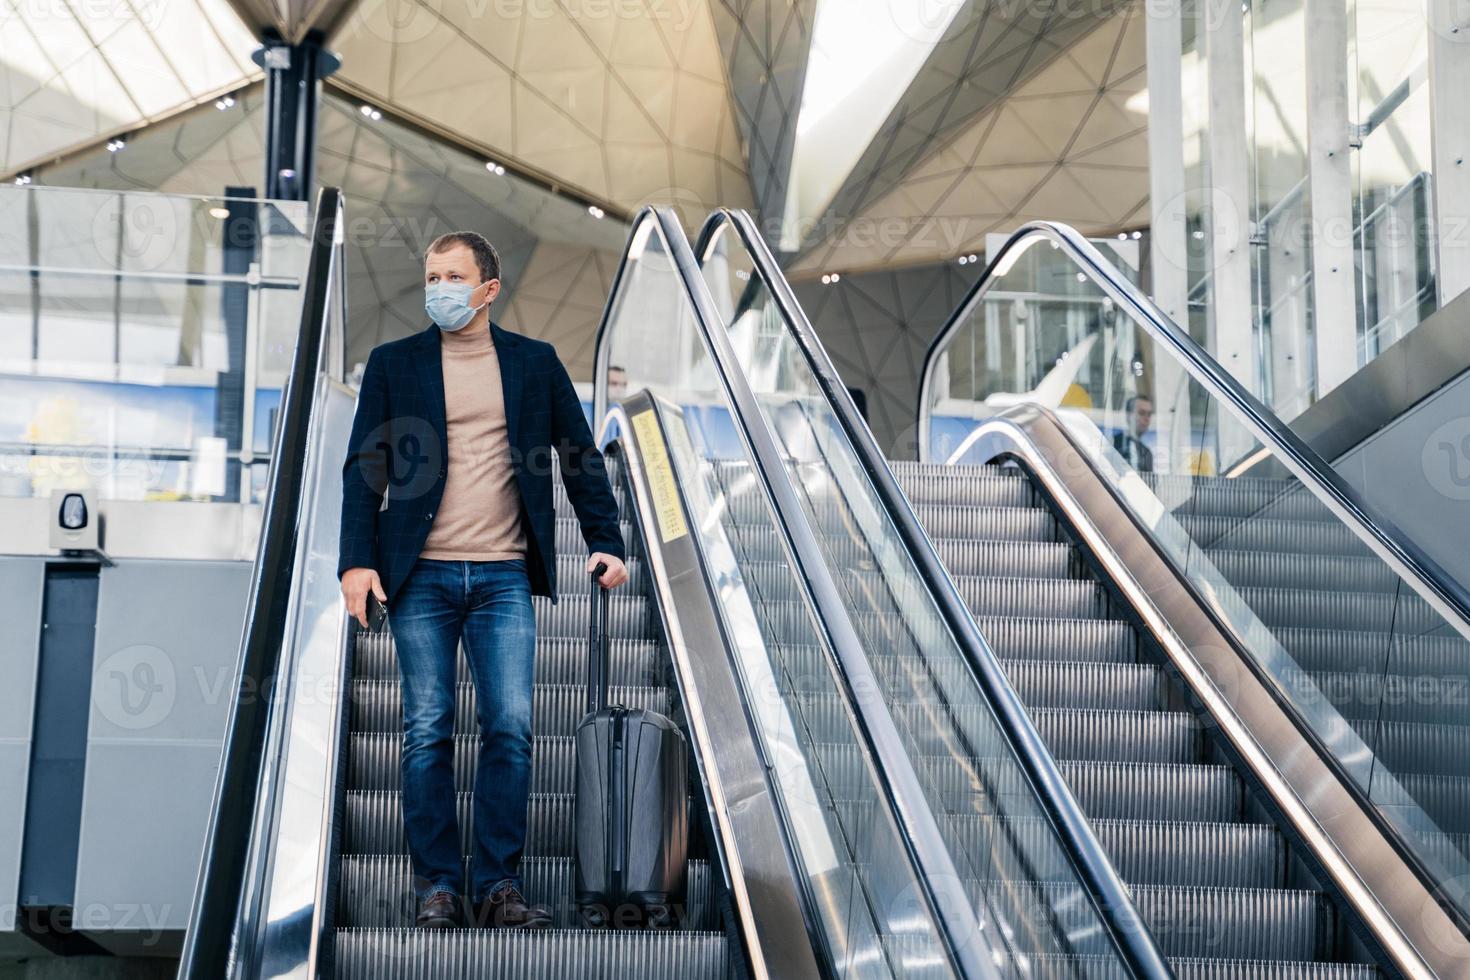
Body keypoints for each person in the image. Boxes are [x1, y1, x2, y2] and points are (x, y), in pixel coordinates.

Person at [337, 231, 629, 930]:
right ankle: (437, 884)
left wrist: (606, 542)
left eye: (452, 275)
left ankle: (499, 885)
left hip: (502, 574)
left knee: (512, 726)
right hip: (419, 576)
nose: (438, 287)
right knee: (427, 727)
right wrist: (356, 562)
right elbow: (363, 470)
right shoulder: (393, 363)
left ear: (488, 289)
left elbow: (579, 457)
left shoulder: (535, 363)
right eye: (432, 275)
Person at [1113, 394, 1154, 473]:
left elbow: (1150, 483)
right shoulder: (1112, 444)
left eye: (1149, 414)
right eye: (1142, 413)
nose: (1147, 418)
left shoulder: (1147, 453)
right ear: (1128, 416)